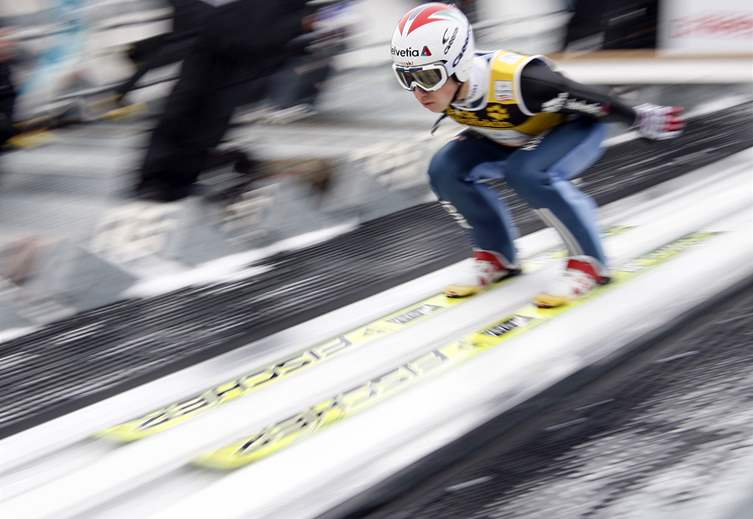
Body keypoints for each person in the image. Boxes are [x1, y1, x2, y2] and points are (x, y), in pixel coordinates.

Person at [390, 2, 684, 308]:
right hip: (511, 132)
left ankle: (589, 262)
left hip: (572, 129)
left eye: (426, 77)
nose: (418, 92)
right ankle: (497, 255)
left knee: (527, 172)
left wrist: (639, 118)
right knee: (444, 170)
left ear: (460, 65)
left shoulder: (522, 80)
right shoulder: (448, 86)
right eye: (405, 77)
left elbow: (590, 97)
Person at [135, 0, 310, 201]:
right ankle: (155, 180)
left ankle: (180, 180)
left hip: (239, 48)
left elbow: (273, 32)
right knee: (185, 108)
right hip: (221, 38)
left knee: (213, 117)